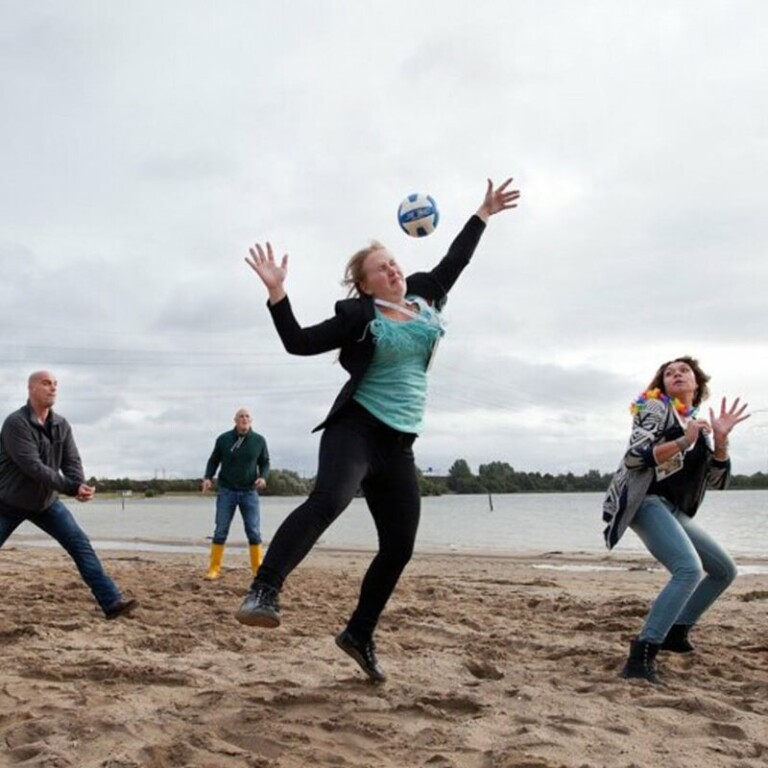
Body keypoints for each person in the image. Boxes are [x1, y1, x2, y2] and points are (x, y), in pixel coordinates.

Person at [234, 178, 521, 682]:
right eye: (380, 269)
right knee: (330, 500)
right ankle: (265, 589)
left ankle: (359, 633)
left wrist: (482, 213)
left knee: (400, 546)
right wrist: (278, 293)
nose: (393, 270)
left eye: (394, 263)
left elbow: (457, 259)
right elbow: (299, 343)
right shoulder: (359, 315)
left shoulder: (428, 295)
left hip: (400, 444)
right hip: (356, 430)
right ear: (365, 285)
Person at [602, 356, 749, 683]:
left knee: (724, 570)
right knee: (688, 569)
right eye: (669, 373)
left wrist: (721, 442)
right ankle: (642, 653)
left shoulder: (693, 421)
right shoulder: (654, 409)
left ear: (697, 384)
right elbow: (634, 457)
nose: (677, 374)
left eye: (684, 371)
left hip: (674, 510)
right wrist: (685, 441)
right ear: (662, 385)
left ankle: (676, 632)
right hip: (647, 502)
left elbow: (717, 483)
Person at [0, 371, 138, 619]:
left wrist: (80, 485)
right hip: (7, 502)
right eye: (46, 383)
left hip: (45, 503)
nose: (52, 388)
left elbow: (71, 460)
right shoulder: (15, 424)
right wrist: (71, 488)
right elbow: (33, 467)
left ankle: (112, 603)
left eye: (55, 384)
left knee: (80, 545)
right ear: (30, 389)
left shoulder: (61, 424)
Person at [201, 408, 270, 580]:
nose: (244, 419)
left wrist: (263, 477)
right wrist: (208, 477)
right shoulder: (223, 439)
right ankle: (214, 569)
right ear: (235, 420)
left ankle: (257, 569)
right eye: (241, 416)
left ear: (251, 420)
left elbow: (265, 462)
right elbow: (213, 460)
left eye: (247, 416)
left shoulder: (259, 440)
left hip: (249, 492)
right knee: (221, 531)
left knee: (253, 531)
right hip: (227, 491)